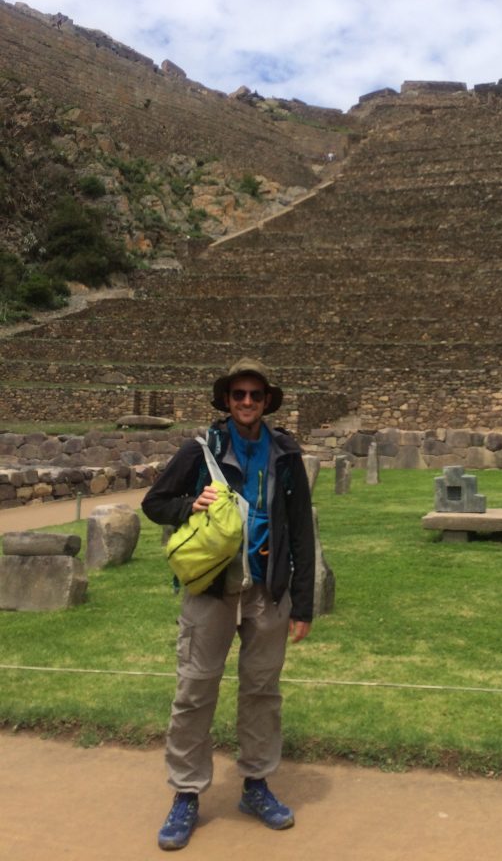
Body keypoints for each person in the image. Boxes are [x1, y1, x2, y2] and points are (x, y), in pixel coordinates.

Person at [142, 358, 315, 851]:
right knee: (195, 689)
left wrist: (302, 604)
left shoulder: (285, 453)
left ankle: (256, 784)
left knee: (262, 692)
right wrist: (187, 505)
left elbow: (301, 530)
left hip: (267, 590)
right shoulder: (202, 449)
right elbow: (155, 503)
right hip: (213, 590)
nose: (246, 402)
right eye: (238, 394)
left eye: (255, 395)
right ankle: (186, 792)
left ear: (267, 401)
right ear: (226, 400)